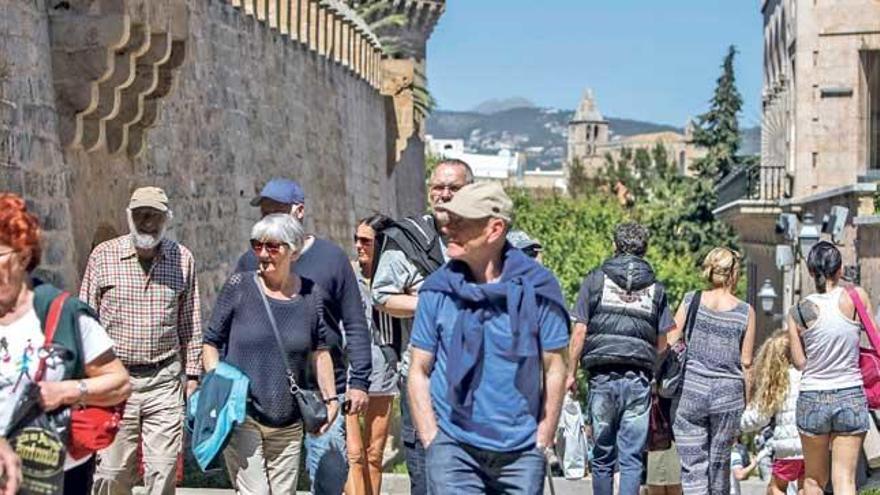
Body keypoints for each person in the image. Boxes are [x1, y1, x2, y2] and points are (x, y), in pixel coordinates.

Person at [407, 182, 569, 494]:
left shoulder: (539, 290)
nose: (448, 229)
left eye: (460, 222)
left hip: (520, 452)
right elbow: (418, 369)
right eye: (447, 220)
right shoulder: (437, 289)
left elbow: (556, 367)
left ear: (494, 229)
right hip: (454, 448)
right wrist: (432, 438)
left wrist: (543, 439)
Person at [234, 178, 371, 494]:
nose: (269, 218)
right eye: (265, 212)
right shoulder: (249, 262)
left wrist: (359, 382)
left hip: (323, 393)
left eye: (277, 211)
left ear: (299, 211)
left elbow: (354, 323)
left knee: (328, 479)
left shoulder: (331, 259)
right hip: (267, 396)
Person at [0, 193, 130, 494]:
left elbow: (119, 383)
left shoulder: (63, 313)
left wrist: (67, 390)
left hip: (54, 476)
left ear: (22, 255)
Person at [203, 214, 338, 492]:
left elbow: (320, 351)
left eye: (273, 247)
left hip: (288, 422)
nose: (263, 254)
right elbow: (210, 342)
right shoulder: (239, 287)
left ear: (294, 251)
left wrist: (331, 398)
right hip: (243, 415)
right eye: (257, 246)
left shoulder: (311, 295)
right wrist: (218, 384)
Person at [82, 187, 202, 495]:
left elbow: (190, 322)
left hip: (163, 379)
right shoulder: (103, 256)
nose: (147, 222)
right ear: (129, 217)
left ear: (166, 219)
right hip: (115, 379)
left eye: (154, 215)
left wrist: (192, 376)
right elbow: (84, 320)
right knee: (111, 473)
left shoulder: (182, 259)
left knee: (162, 472)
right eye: (141, 214)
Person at [371, 159, 473, 494]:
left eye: (453, 188)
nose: (444, 195)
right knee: (427, 474)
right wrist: (434, 297)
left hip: (478, 378)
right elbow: (383, 295)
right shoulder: (410, 239)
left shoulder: (487, 238)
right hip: (424, 377)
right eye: (438, 188)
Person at [566, 222, 675, 495]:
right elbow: (664, 343)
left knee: (602, 455)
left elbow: (579, 332)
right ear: (644, 249)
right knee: (631, 457)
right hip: (638, 379)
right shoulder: (656, 289)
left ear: (615, 246)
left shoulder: (595, 280)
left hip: (602, 376)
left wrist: (570, 373)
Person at [788, 241, 874, 495]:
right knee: (845, 480)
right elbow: (873, 337)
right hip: (850, 392)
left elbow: (800, 362)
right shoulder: (855, 297)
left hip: (813, 394)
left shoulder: (799, 311)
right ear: (840, 269)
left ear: (811, 272)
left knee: (814, 480)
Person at [671, 247, 756, 495]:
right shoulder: (745, 312)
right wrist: (748, 402)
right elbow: (747, 363)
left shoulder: (691, 300)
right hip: (728, 397)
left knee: (692, 467)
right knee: (720, 465)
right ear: (734, 274)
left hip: (691, 392)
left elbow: (671, 339)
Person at [345, 213, 398, 495]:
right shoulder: (346, 275)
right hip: (351, 368)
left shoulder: (394, 277)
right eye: (356, 239)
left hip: (384, 368)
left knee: (374, 453)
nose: (359, 246)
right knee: (353, 453)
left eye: (366, 240)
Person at [740, 330, 804, 495]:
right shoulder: (809, 375)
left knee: (775, 488)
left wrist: (740, 418)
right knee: (807, 486)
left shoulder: (778, 383)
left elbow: (756, 418)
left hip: (788, 449)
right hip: (813, 444)